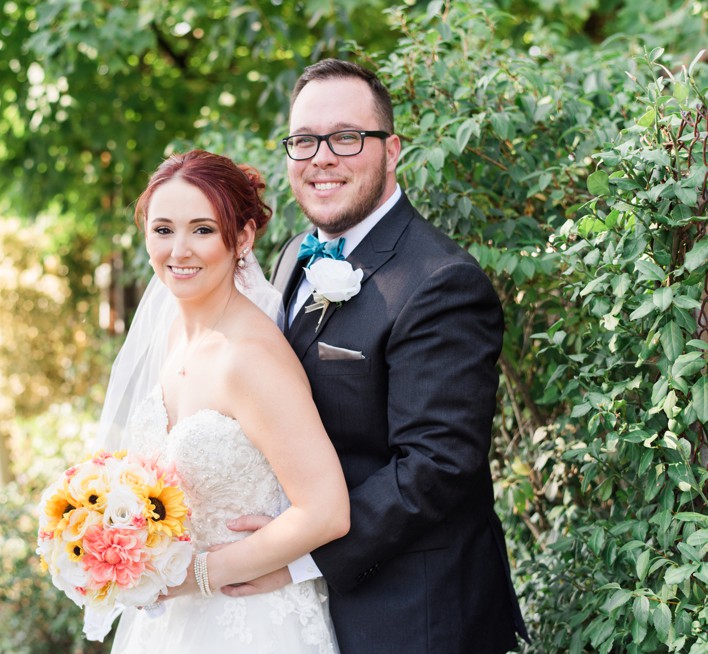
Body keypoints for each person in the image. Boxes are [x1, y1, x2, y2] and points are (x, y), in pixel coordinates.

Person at [223, 59, 530, 653]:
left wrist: (297, 555)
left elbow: (436, 464)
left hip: (414, 615)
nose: (321, 157)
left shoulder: (441, 281)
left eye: (345, 137)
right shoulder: (291, 260)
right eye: (304, 140)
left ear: (392, 150)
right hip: (300, 614)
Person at [105, 149, 349, 654]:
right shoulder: (173, 336)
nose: (179, 250)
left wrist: (196, 575)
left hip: (252, 622)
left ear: (242, 238)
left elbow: (326, 511)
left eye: (202, 230)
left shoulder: (250, 357)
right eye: (163, 229)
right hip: (171, 622)